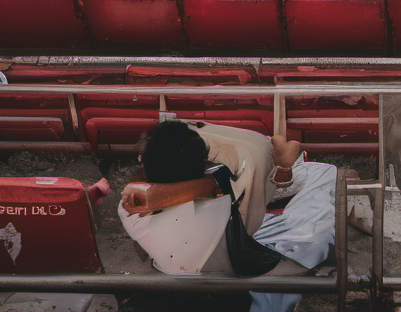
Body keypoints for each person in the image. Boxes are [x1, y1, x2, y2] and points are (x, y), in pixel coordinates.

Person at [119, 120, 336, 312]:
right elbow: (220, 181)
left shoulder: (129, 211)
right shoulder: (220, 203)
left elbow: (200, 186)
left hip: (176, 267)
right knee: (323, 181)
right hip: (234, 272)